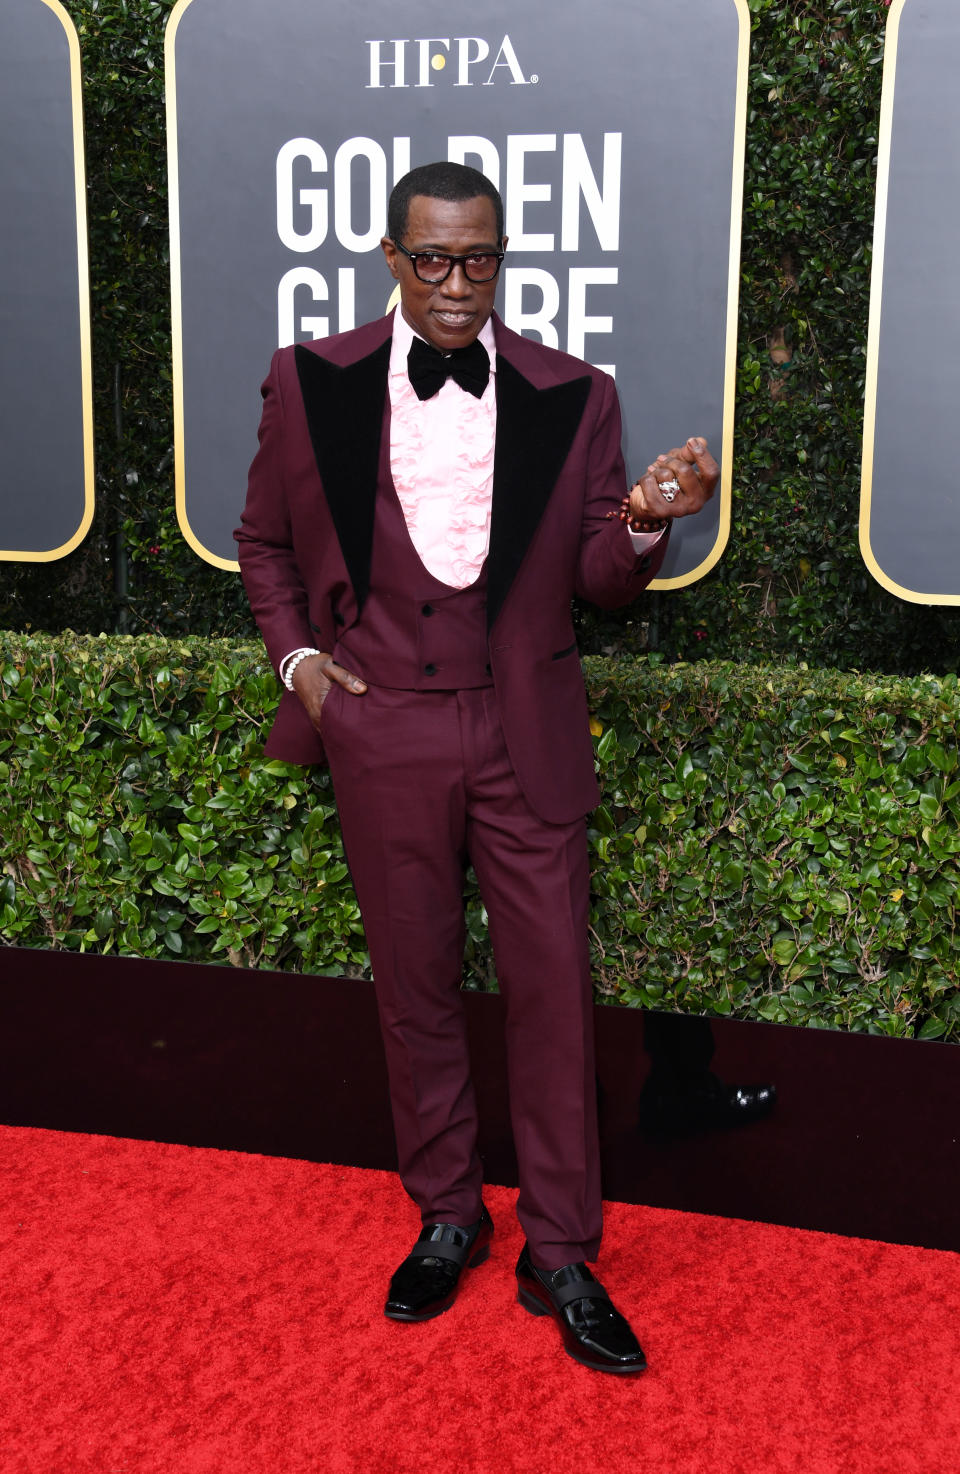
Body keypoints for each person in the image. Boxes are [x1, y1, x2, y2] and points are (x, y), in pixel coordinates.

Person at [236, 161, 717, 1375]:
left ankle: (560, 1252)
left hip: (523, 732)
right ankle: (447, 1212)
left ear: (504, 258)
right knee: (418, 989)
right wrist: (298, 661)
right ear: (393, 257)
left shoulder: (577, 393)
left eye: (483, 260)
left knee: (554, 994)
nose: (460, 286)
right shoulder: (310, 380)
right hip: (381, 722)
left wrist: (648, 519)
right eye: (436, 260)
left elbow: (604, 584)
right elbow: (262, 540)